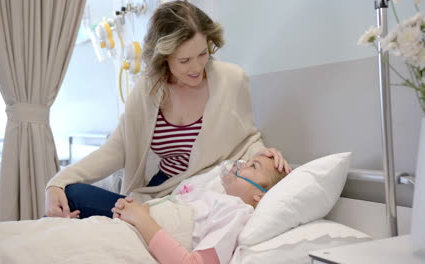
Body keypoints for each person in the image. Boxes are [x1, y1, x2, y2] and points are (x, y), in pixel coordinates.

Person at [44, 0, 291, 219]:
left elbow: (247, 138)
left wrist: (266, 158)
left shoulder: (233, 79)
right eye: (184, 60)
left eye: (202, 54)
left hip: (202, 194)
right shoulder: (148, 89)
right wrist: (58, 182)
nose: (196, 67)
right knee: (71, 193)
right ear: (164, 58)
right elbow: (118, 149)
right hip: (159, 193)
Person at [112, 155, 288, 264]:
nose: (240, 165)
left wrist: (140, 218)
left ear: (260, 195)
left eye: (252, 166)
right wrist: (127, 215)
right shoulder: (212, 196)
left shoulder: (236, 212)